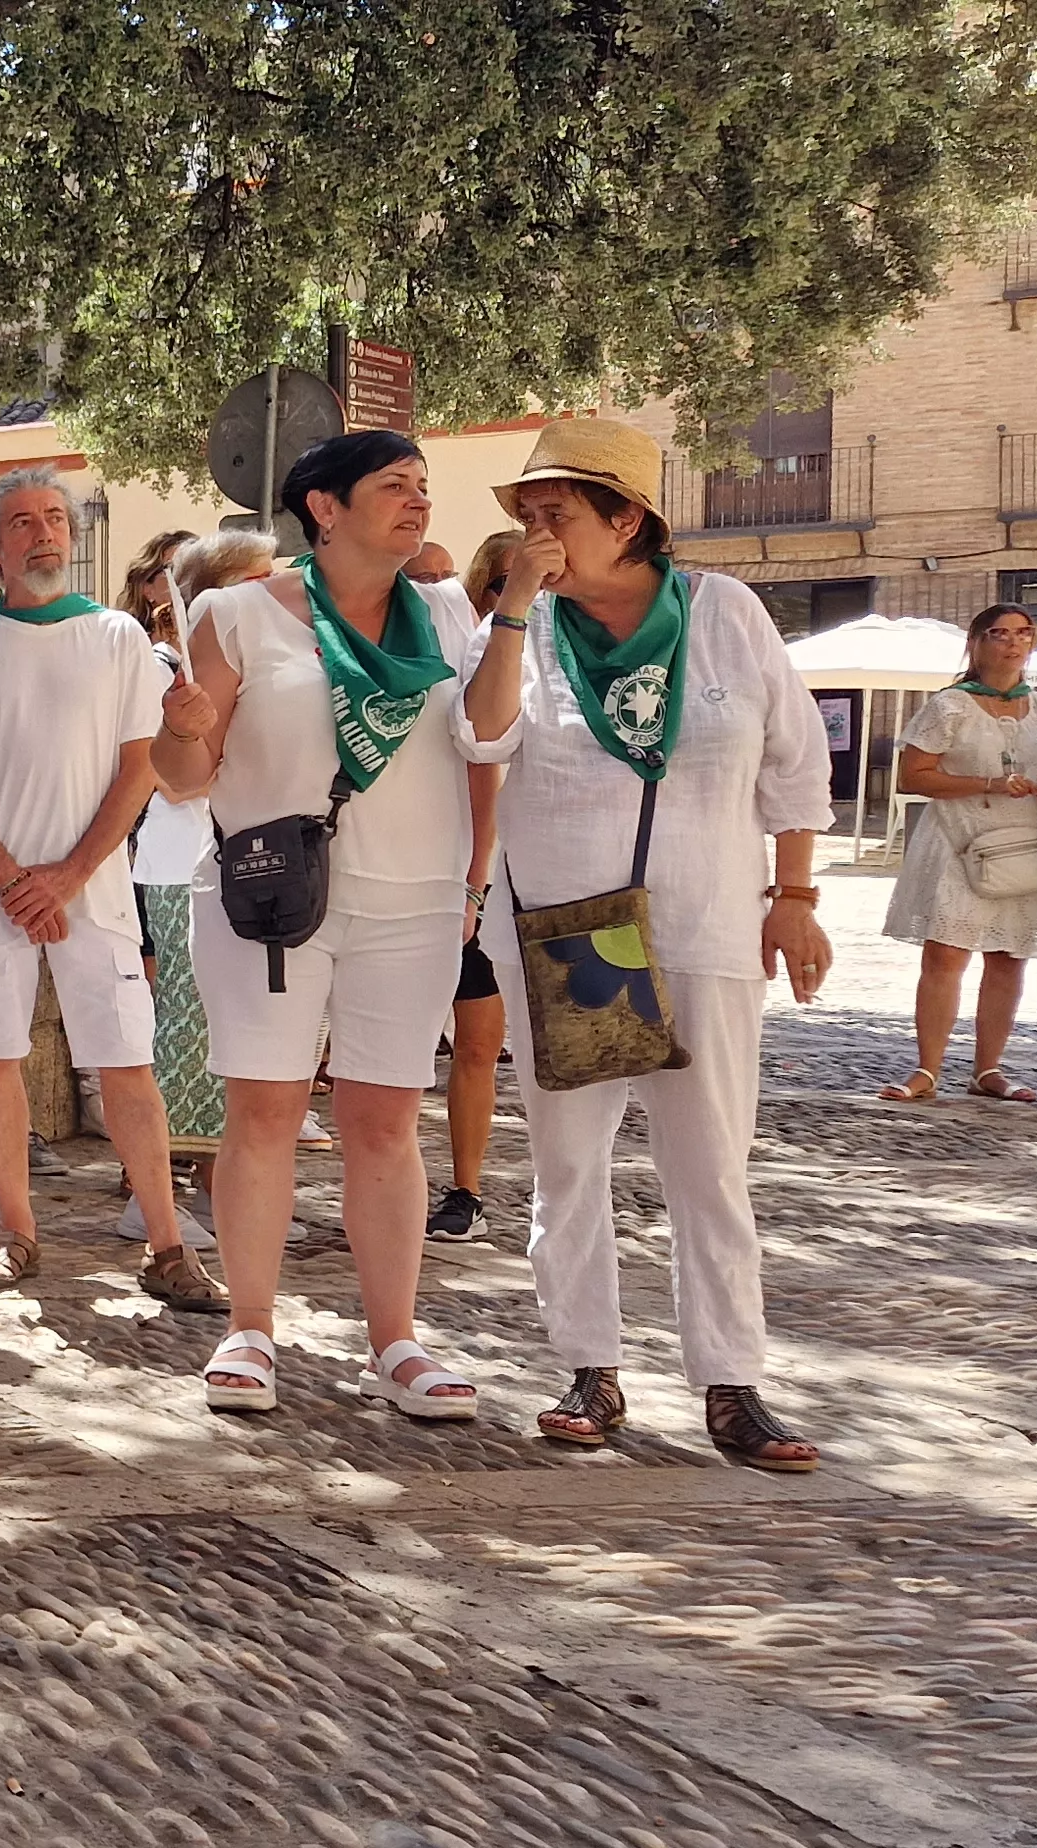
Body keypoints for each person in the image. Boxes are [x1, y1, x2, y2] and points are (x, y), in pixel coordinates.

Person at [465, 418, 832, 1470]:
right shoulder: (518, 626)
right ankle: (588, 1368)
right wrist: (508, 614)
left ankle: (731, 1383)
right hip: (576, 931)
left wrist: (794, 895)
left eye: (557, 514)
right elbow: (478, 736)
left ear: (626, 519)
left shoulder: (723, 611)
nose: (535, 532)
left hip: (704, 925)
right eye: (527, 516)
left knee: (709, 1165)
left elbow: (791, 759)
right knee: (570, 1162)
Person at [151, 433, 494, 1419]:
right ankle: (248, 1331)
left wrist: (475, 871)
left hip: (416, 897)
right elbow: (187, 781)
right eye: (393, 486)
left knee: (383, 1123)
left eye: (423, 487)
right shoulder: (235, 612)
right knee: (262, 1113)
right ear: (324, 509)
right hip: (272, 897)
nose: (417, 501)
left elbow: (479, 749)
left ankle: (398, 1342)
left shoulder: (444, 611)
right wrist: (179, 730)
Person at [0, 466, 219, 1310]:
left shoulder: (118, 638)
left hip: (98, 893)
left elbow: (141, 765)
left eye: (54, 519)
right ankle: (16, 1233)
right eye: (21, 522)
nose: (43, 533)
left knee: (127, 1064)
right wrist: (13, 881)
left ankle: (167, 1246)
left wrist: (70, 875)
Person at [878, 604, 1037, 1103]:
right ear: (978, 643)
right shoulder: (951, 707)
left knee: (1009, 957)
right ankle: (928, 1068)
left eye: (1024, 633)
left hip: (1024, 840)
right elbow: (914, 776)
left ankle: (989, 1068)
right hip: (960, 837)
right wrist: (987, 782)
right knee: (945, 953)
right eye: (1000, 633)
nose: (1013, 642)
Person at [429, 530, 525, 1240]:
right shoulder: (477, 652)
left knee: (483, 1044)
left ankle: (471, 1187)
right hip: (464, 872)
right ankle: (458, 1190)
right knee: (468, 1043)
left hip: (527, 875)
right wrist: (472, 880)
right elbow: (479, 773)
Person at [125, 529, 226, 1188]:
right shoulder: (160, 671)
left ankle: (204, 1180)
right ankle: (149, 1185)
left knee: (212, 1028)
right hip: (173, 862)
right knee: (181, 1028)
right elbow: (165, 774)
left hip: (207, 861)